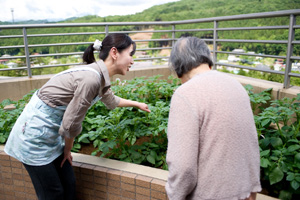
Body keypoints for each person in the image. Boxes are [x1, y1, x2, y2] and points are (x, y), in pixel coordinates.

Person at [4, 33, 150, 200]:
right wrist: (67, 149)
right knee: (52, 193)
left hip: (50, 134)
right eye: (130, 54)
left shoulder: (99, 75)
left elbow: (110, 100)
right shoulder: (91, 79)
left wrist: (137, 104)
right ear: (115, 53)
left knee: (69, 184)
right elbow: (70, 123)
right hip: (33, 137)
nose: (132, 60)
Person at [165, 37, 261, 200]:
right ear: (207, 59)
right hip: (245, 192)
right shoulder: (235, 85)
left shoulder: (186, 94)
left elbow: (183, 167)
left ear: (178, 67)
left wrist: (174, 195)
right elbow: (251, 143)